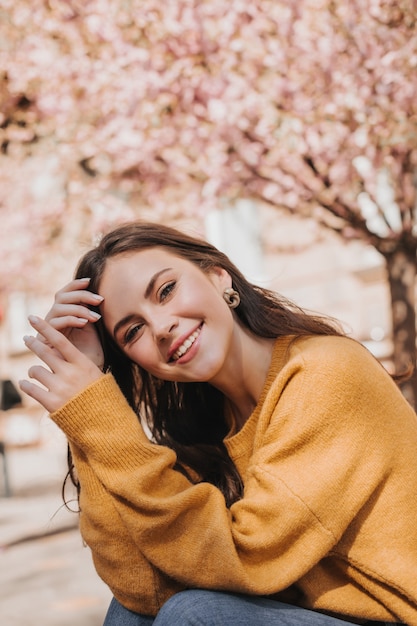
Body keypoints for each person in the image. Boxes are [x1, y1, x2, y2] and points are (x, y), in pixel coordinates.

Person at [19, 220, 417, 626]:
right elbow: (143, 588)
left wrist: (101, 420)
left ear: (217, 275)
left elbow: (247, 558)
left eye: (166, 290)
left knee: (195, 614)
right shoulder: (210, 427)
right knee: (133, 613)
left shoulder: (324, 373)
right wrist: (86, 411)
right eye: (133, 330)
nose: (161, 327)